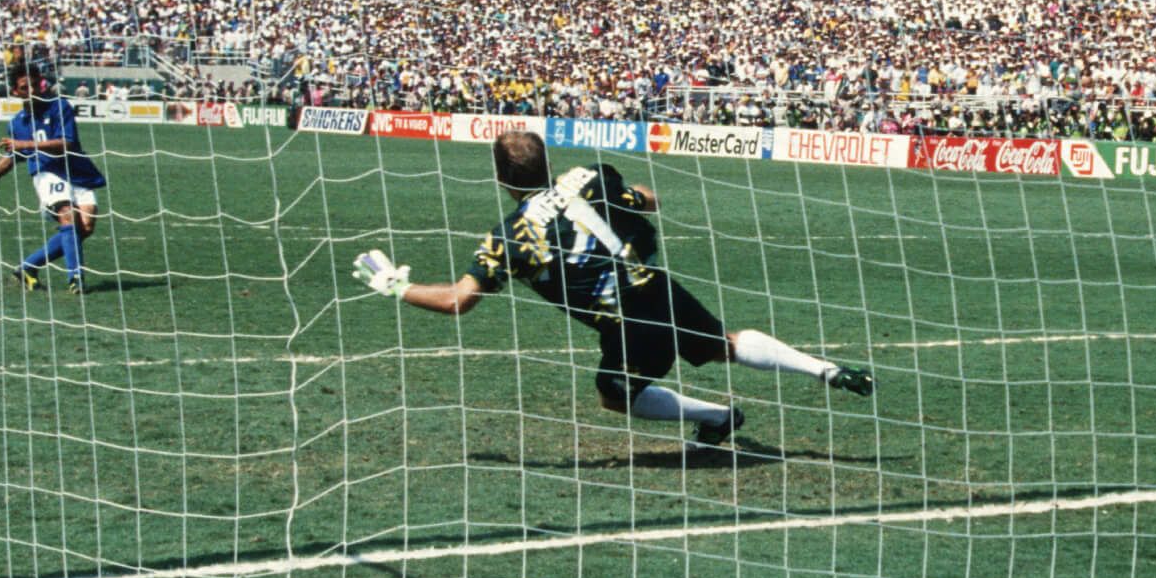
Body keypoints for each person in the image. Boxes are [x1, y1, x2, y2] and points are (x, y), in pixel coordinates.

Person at [353, 129, 874, 449]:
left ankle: (717, 417)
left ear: (499, 175)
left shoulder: (508, 237)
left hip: (624, 321)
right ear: (546, 159)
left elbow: (457, 301)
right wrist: (628, 200)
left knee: (613, 395)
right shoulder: (589, 177)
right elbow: (649, 200)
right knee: (724, 344)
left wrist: (398, 287)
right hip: (655, 287)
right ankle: (823, 368)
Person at [0, 72, 106, 293]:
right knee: (68, 214)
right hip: (46, 172)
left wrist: (23, 144)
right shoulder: (17, 123)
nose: (32, 90)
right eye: (24, 87)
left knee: (85, 226)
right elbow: (12, 157)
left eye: (35, 85)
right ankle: (75, 278)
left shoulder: (59, 106)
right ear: (14, 92)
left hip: (76, 170)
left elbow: (67, 143)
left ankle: (28, 266)